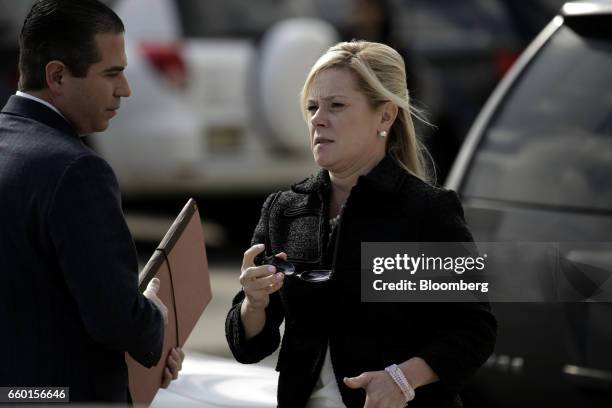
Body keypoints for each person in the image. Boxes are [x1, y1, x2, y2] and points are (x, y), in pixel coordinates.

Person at [225, 40, 497, 408]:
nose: (318, 119)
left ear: (385, 116)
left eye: (336, 105)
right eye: (312, 107)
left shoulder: (427, 211)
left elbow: (473, 331)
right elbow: (250, 346)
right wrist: (253, 304)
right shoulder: (285, 209)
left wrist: (401, 380)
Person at [0, 0, 183, 403]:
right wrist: (153, 316)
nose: (126, 89)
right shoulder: (78, 170)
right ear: (58, 75)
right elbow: (116, 319)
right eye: (112, 74)